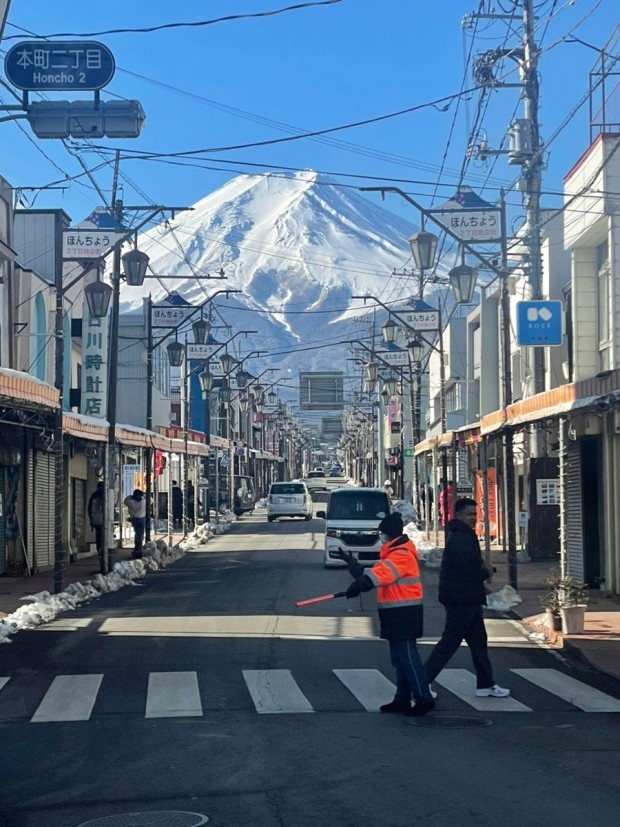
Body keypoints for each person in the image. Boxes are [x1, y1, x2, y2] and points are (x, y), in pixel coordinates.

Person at [339, 511, 435, 716]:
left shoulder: (401, 554)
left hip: (404, 614)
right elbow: (376, 573)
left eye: (382, 533)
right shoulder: (393, 554)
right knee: (400, 660)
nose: (380, 536)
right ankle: (401, 699)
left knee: (408, 658)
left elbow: (378, 577)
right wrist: (355, 568)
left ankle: (423, 698)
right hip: (396, 613)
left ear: (388, 534)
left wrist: (358, 586)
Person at [424, 497, 510, 698]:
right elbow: (468, 569)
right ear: (459, 515)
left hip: (467, 597)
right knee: (450, 641)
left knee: (479, 641)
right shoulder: (461, 537)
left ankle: (485, 684)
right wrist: (487, 571)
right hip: (461, 598)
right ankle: (421, 682)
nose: (474, 518)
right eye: (470, 514)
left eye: (476, 514)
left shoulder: (462, 535)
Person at [124, 488, 146, 559]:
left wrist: (131, 496)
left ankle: (137, 548)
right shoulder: (143, 502)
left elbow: (125, 500)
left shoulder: (131, 502)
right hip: (142, 518)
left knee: (137, 533)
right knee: (140, 534)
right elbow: (151, 500)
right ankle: (138, 548)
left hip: (134, 519)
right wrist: (144, 496)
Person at [88, 481, 105, 564]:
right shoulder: (105, 495)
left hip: (96, 520)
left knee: (98, 536)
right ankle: (102, 551)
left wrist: (91, 520)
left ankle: (100, 551)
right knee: (103, 536)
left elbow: (89, 509)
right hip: (103, 520)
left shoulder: (94, 495)